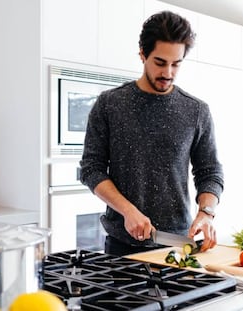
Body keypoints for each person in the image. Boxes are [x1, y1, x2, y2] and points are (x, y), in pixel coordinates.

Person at [80, 11, 224, 257]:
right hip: (121, 247)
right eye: (160, 62)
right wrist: (127, 210)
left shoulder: (196, 110)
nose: (168, 72)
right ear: (142, 54)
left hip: (178, 245)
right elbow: (91, 169)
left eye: (176, 63)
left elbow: (210, 171)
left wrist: (206, 212)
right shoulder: (110, 104)